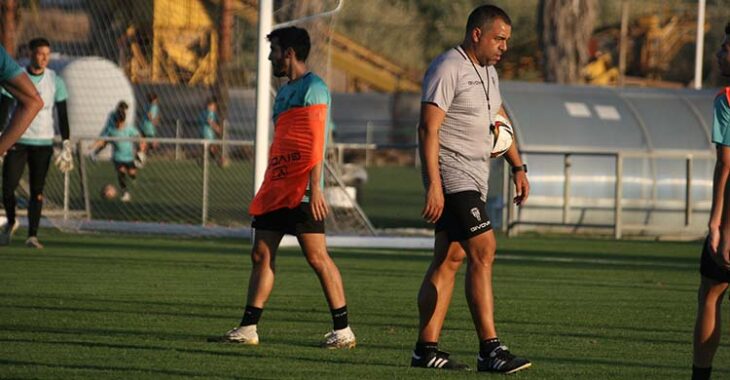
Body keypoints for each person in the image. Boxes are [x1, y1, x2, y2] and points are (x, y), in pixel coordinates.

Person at [214, 26, 356, 349]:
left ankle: (343, 330)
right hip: (277, 187)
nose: (270, 57)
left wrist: (315, 188)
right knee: (261, 253)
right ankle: (249, 328)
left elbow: (315, 142)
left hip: (303, 189)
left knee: (316, 256)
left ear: (288, 54)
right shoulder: (283, 95)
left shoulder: (314, 88)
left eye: (274, 50)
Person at [412, 5, 530, 373]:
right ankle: (490, 350)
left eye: (507, 41)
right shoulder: (448, 67)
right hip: (453, 176)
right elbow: (428, 129)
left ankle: (425, 350)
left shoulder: (488, 73)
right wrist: (434, 185)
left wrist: (518, 166)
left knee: (450, 260)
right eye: (499, 38)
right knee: (485, 249)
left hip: (476, 178)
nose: (504, 47)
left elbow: (499, 121)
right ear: (476, 34)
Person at [0, 38, 65, 248]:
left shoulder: (55, 80)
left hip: (42, 142)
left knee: (37, 191)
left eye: (48, 53)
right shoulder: (16, 71)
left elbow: (61, 113)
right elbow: (8, 106)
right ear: (31, 54)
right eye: (40, 53)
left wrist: (67, 142)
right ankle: (10, 221)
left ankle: (32, 235)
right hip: (19, 141)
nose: (44, 58)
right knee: (8, 188)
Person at [692, 22, 730, 380]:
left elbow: (727, 163)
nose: (720, 53)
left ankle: (700, 376)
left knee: (711, 294)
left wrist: (717, 223)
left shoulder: (727, 99)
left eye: (725, 47)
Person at [90, 107, 146, 203]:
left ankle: (134, 182)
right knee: (121, 173)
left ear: (123, 121)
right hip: (118, 157)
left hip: (129, 156)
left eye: (121, 122)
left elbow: (140, 139)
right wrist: (94, 146)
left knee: (132, 174)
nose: (119, 125)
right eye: (118, 122)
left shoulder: (129, 129)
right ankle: (125, 193)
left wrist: (141, 151)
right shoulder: (112, 130)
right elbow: (104, 141)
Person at [199, 97, 222, 163]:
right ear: (208, 106)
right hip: (206, 133)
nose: (215, 108)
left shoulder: (212, 114)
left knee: (211, 147)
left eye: (215, 106)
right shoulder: (207, 113)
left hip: (209, 133)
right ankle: (214, 159)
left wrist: (216, 127)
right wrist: (216, 127)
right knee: (211, 147)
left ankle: (207, 159)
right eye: (213, 106)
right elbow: (209, 121)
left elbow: (214, 121)